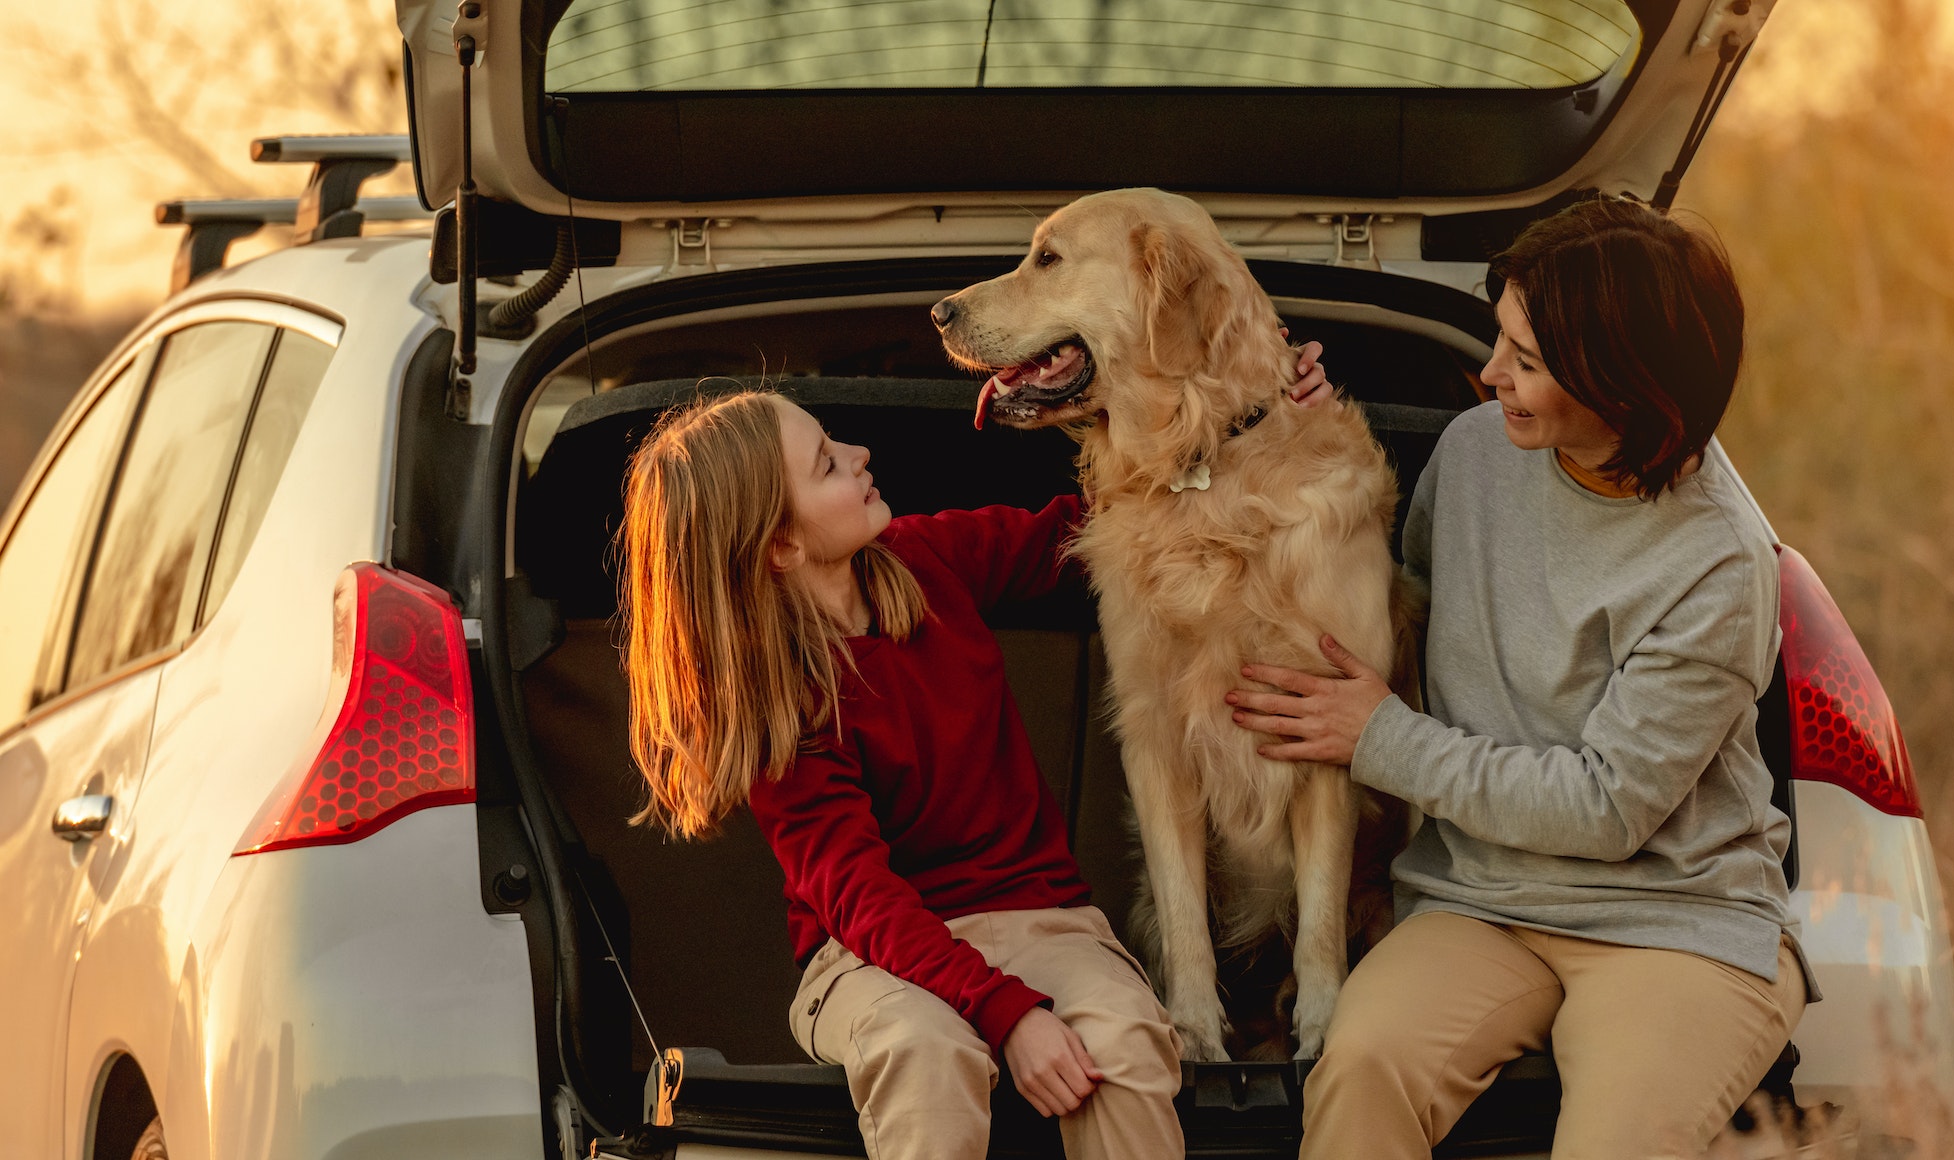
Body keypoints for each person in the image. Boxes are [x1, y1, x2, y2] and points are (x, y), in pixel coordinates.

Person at [618, 346, 1334, 1160]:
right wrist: (1008, 1014)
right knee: (925, 1051)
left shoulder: (925, 562)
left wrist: (1253, 421)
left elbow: (1100, 523)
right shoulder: (782, 713)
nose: (860, 457)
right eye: (827, 464)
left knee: (1129, 1047)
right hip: (871, 959)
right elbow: (863, 903)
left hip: (1046, 922)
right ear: (780, 545)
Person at [1223, 197, 1816, 1160]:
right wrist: (1290, 433)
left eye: (1526, 362)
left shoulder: (1719, 561)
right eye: (1500, 337)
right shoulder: (1470, 455)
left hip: (1673, 922)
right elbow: (1404, 617)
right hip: (1479, 900)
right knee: (1360, 1070)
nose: (1490, 373)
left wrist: (1381, 739)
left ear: (1623, 387)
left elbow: (1605, 810)